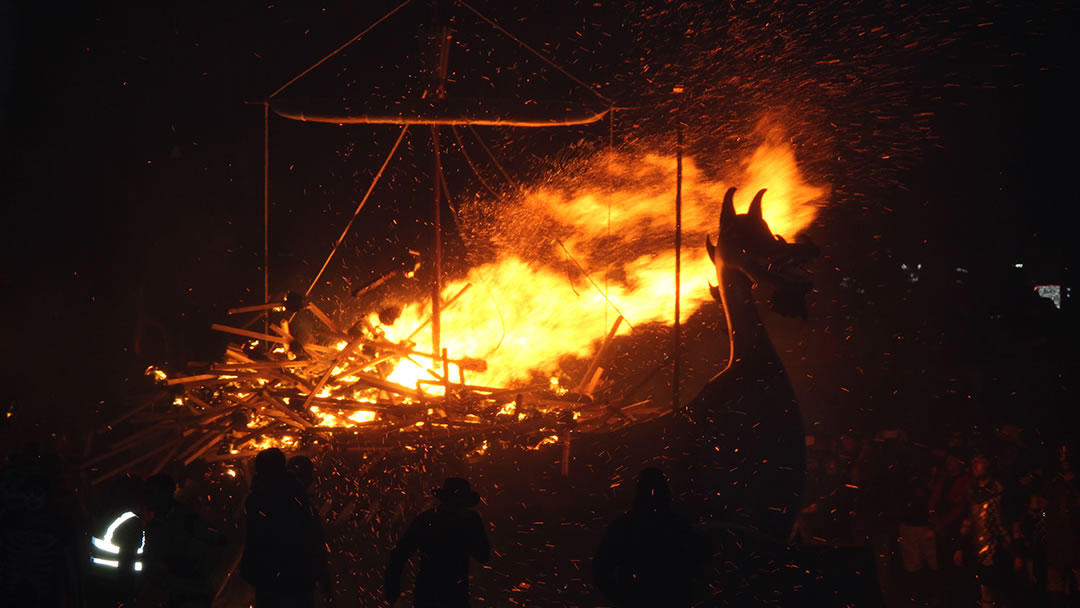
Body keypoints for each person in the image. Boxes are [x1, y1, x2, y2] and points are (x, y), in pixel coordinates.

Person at [593, 468, 705, 608]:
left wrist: (621, 598)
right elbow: (699, 566)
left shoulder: (626, 525)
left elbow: (601, 569)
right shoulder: (678, 525)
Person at [240, 448, 331, 608]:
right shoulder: (296, 498)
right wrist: (324, 579)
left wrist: (250, 570)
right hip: (295, 578)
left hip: (271, 579)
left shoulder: (258, 499)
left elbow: (254, 539)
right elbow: (312, 540)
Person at [385, 477, 490, 608]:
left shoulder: (427, 519)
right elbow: (483, 555)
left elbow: (399, 555)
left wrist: (392, 592)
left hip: (431, 594)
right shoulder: (469, 521)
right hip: (453, 595)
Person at [142, 473, 226, 608]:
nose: (146, 498)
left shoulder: (187, 520)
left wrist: (194, 569)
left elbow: (218, 544)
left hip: (191, 594)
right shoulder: (156, 525)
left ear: (164, 494)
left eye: (151, 493)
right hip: (173, 593)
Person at [955, 452, 1014, 607]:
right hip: (976, 549)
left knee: (1000, 591)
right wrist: (960, 548)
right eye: (973, 462)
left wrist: (1017, 549)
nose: (975, 465)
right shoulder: (971, 491)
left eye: (979, 462)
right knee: (980, 590)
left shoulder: (1001, 489)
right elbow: (967, 521)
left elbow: (1010, 521)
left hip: (999, 550)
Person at [84, 473, 145, 608]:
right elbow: (127, 559)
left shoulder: (104, 515)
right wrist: (128, 594)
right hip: (115, 587)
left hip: (98, 583)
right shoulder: (131, 521)